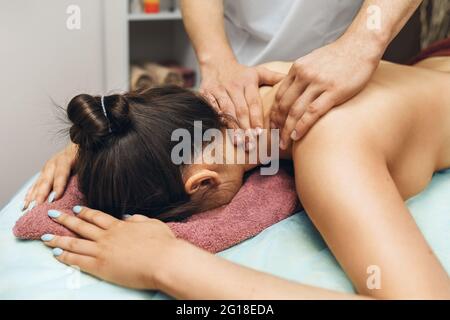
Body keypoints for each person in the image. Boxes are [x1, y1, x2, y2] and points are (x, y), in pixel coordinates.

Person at [25, 55, 450, 299]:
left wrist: (166, 263)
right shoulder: (266, 80)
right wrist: (93, 142)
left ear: (203, 184)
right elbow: (150, 119)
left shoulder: (331, 152)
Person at [181, 0, 423, 150]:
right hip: (235, 55)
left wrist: (361, 43)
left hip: (347, 58)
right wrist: (216, 60)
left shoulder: (328, 142)